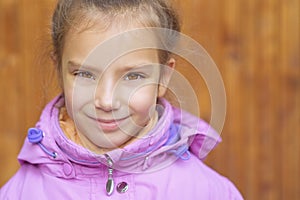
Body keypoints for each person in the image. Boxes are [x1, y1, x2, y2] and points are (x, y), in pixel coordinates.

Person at [0, 0, 243, 199]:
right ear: (59, 72)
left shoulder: (207, 192)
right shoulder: (21, 193)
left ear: (163, 77)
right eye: (85, 74)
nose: (106, 101)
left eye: (133, 76)